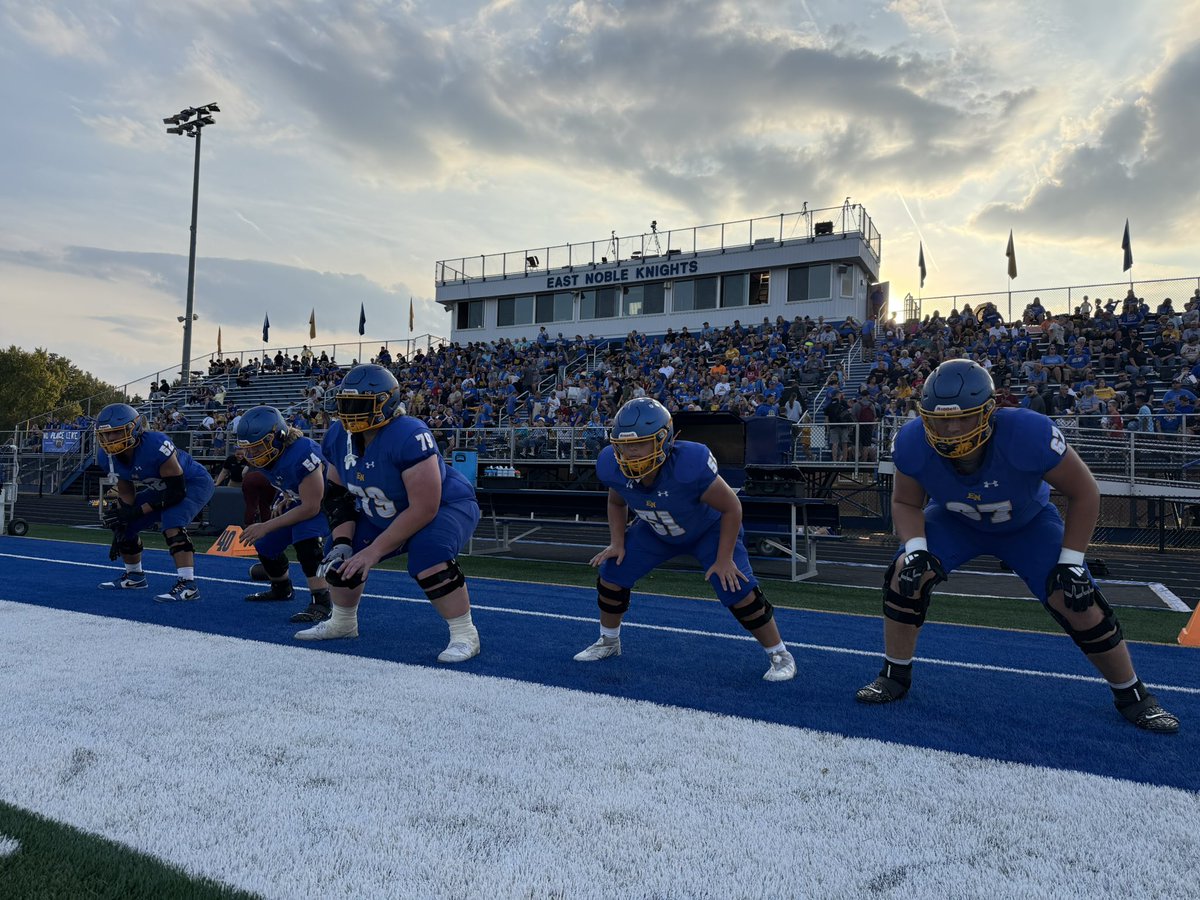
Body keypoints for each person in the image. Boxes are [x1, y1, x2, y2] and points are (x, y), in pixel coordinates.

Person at [855, 360, 1178, 733]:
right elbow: (906, 504)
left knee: (1076, 596)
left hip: (1028, 524)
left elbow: (1084, 491)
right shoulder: (913, 441)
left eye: (964, 417)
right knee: (905, 575)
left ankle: (1132, 693)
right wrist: (914, 548)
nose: (952, 428)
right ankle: (895, 675)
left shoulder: (1026, 432)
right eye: (941, 419)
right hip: (955, 522)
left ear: (990, 411)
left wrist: (1072, 561)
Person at [575, 397, 796, 682]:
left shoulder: (688, 465)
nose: (630, 454)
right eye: (624, 446)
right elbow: (617, 502)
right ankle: (608, 642)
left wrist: (724, 558)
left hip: (708, 530)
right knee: (613, 571)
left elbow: (732, 507)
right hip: (656, 530)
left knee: (735, 586)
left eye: (639, 444)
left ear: (664, 440)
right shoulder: (611, 465)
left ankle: (780, 654)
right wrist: (617, 542)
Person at [295, 364, 483, 663]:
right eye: (347, 404)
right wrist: (344, 541)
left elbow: (424, 507)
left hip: (444, 506)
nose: (351, 413)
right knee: (337, 556)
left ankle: (464, 634)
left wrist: (373, 553)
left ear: (388, 402)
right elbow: (337, 493)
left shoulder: (409, 433)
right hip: (382, 510)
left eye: (361, 405)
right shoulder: (336, 435)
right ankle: (343, 623)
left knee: (429, 554)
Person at [95, 403, 216, 603]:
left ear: (133, 428)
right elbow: (126, 489)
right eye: (105, 434)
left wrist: (139, 510)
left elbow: (176, 492)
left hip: (192, 483)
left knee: (172, 520)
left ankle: (188, 584)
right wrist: (124, 519)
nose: (109, 440)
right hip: (160, 487)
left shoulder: (156, 444)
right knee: (125, 525)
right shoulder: (105, 456)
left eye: (115, 433)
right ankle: (135, 576)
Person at [235, 406, 334, 624]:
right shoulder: (274, 455)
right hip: (303, 499)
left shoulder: (302, 453)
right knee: (264, 544)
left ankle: (322, 601)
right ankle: (282, 588)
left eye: (257, 447)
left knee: (305, 539)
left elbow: (311, 507)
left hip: (328, 502)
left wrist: (266, 525)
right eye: (249, 449)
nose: (252, 455)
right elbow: (288, 481)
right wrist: (286, 497)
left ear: (277, 437)